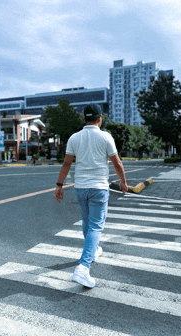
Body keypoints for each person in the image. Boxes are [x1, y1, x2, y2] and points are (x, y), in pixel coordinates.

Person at [54, 103, 128, 288]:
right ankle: (83, 268)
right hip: (98, 188)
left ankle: (93, 251)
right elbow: (117, 163)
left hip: (80, 188)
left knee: (87, 222)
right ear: (99, 118)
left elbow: (66, 164)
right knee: (96, 226)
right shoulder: (105, 137)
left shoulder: (74, 138)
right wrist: (123, 182)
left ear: (84, 119)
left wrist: (59, 186)